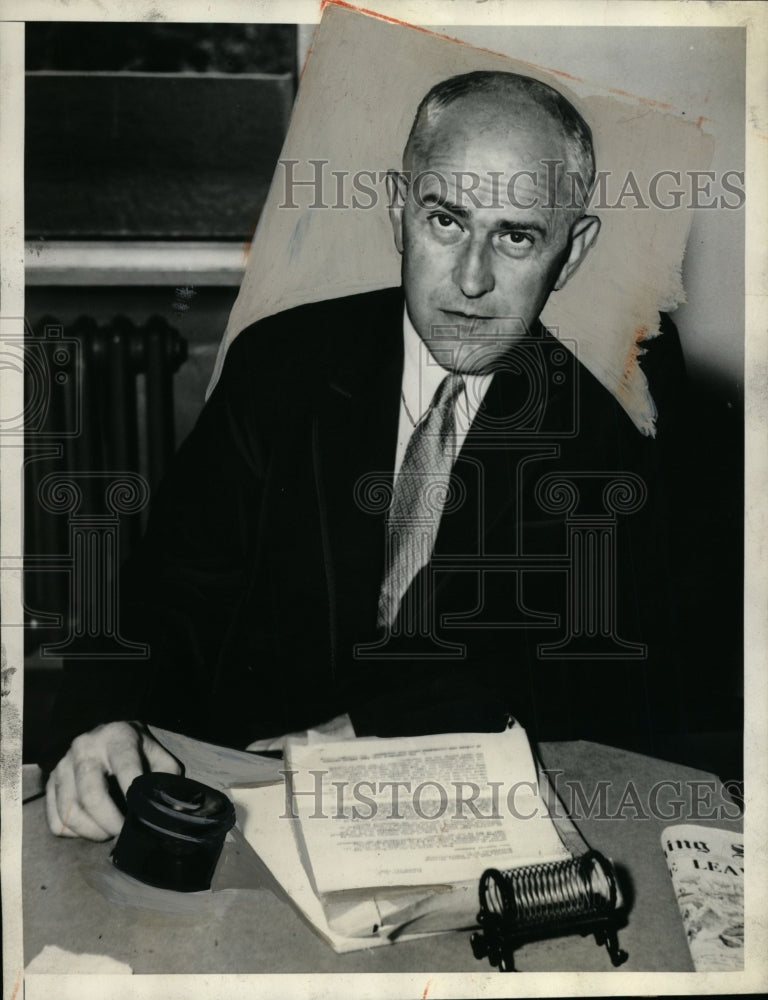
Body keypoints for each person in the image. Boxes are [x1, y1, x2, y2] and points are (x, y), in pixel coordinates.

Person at [43, 71, 684, 840]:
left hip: (454, 826)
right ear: (398, 210)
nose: (472, 280)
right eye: (446, 220)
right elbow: (166, 590)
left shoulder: (606, 444)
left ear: (571, 252)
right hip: (243, 807)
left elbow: (590, 694)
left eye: (515, 236)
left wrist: (380, 735)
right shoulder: (280, 366)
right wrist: (103, 717)